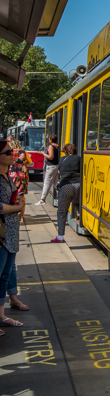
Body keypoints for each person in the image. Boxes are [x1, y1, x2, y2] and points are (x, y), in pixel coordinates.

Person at [0, 138, 26, 334]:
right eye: (8, 153)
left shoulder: (7, 177)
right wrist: (17, 207)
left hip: (10, 234)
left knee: (4, 276)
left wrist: (16, 199)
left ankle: (1, 315)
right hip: (1, 235)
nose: (12, 155)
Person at [51, 144, 81, 243]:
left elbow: (59, 171)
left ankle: (60, 236)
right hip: (78, 185)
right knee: (77, 203)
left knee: (61, 212)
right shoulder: (79, 158)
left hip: (66, 185)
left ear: (65, 151)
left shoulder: (62, 159)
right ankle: (80, 219)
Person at [36, 134, 59, 205]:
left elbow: (51, 157)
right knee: (56, 183)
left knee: (47, 183)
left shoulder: (51, 146)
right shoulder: (57, 146)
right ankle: (60, 198)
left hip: (51, 166)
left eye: (49, 139)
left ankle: (42, 199)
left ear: (51, 140)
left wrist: (43, 154)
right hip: (56, 166)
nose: (48, 140)